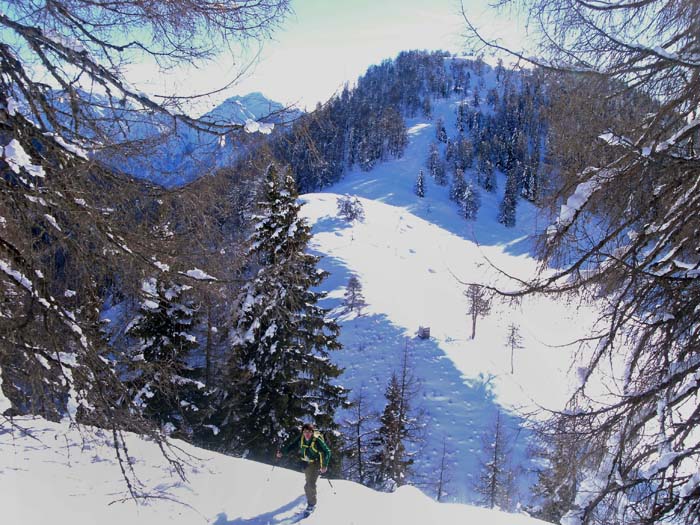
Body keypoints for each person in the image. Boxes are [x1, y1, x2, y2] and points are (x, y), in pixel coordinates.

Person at [276, 423, 331, 513]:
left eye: (309, 432)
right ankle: (310, 492)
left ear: (312, 432)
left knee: (309, 485)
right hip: (305, 462)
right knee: (308, 480)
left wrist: (324, 465)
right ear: (303, 432)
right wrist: (282, 452)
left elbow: (327, 451)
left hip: (316, 462)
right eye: (305, 432)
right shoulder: (301, 438)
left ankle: (311, 504)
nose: (307, 434)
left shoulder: (317, 440)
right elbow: (292, 445)